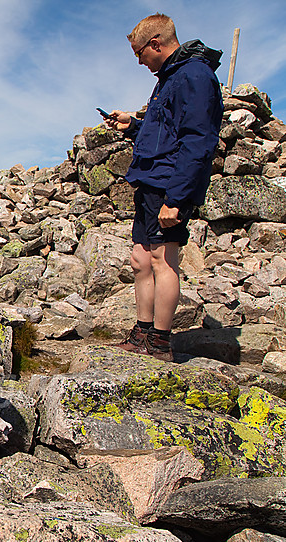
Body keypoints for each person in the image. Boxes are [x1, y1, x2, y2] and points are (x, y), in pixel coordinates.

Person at [104, 13, 223, 362]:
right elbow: (163, 135)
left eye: (140, 53)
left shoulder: (195, 76)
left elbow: (198, 141)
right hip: (150, 179)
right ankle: (142, 332)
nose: (139, 61)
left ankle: (160, 341)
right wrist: (132, 125)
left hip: (170, 183)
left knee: (162, 258)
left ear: (156, 43)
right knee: (141, 259)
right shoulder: (170, 78)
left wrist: (177, 198)